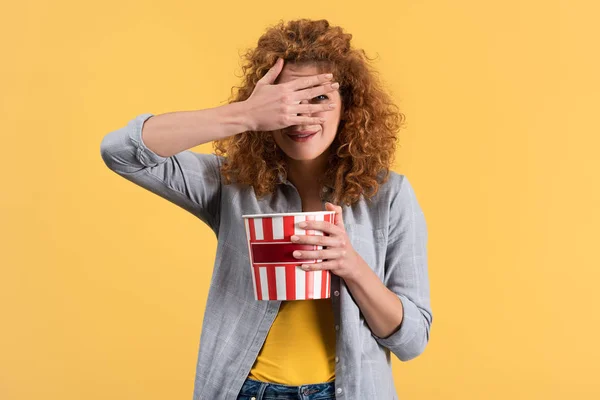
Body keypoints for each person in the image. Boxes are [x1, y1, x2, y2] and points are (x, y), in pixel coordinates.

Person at [100, 18, 432, 400]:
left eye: (320, 98)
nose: (301, 114)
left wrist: (351, 266)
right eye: (286, 100)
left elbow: (412, 341)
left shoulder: (389, 195)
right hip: (245, 391)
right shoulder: (233, 184)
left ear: (348, 108)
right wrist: (245, 115)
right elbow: (121, 152)